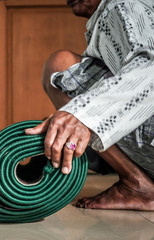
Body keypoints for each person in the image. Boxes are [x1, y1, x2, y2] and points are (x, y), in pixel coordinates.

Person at [25, 0, 154, 210]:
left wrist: (81, 114)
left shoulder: (122, 4)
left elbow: (150, 68)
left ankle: (136, 184)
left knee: (60, 64)